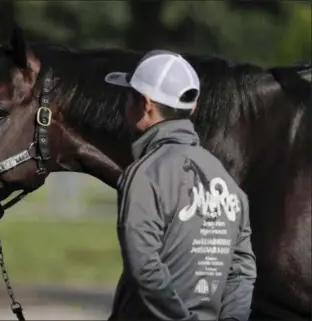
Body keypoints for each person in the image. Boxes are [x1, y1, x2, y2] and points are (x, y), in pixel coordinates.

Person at [104, 50, 257, 321]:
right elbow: (241, 270)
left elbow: (145, 268)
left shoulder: (145, 174)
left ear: (145, 103)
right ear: (193, 107)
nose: (124, 103)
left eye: (128, 95)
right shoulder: (227, 181)